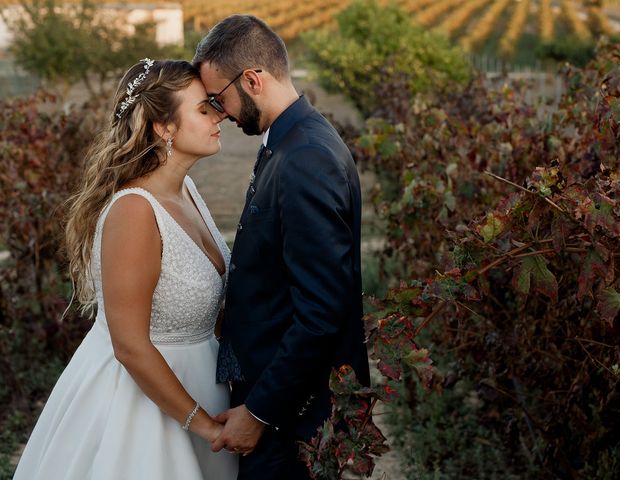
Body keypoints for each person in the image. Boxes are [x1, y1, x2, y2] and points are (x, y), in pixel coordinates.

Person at [13, 59, 238, 479]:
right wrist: (205, 425)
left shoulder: (186, 190)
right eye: (203, 109)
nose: (219, 115)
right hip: (142, 406)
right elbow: (130, 345)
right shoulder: (134, 211)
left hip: (202, 385)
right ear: (163, 127)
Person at [193, 15, 371, 479]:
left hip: (290, 417)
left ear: (252, 80)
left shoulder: (306, 158)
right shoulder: (290, 140)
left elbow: (321, 313)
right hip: (279, 402)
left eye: (219, 98)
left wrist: (259, 413)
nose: (220, 112)